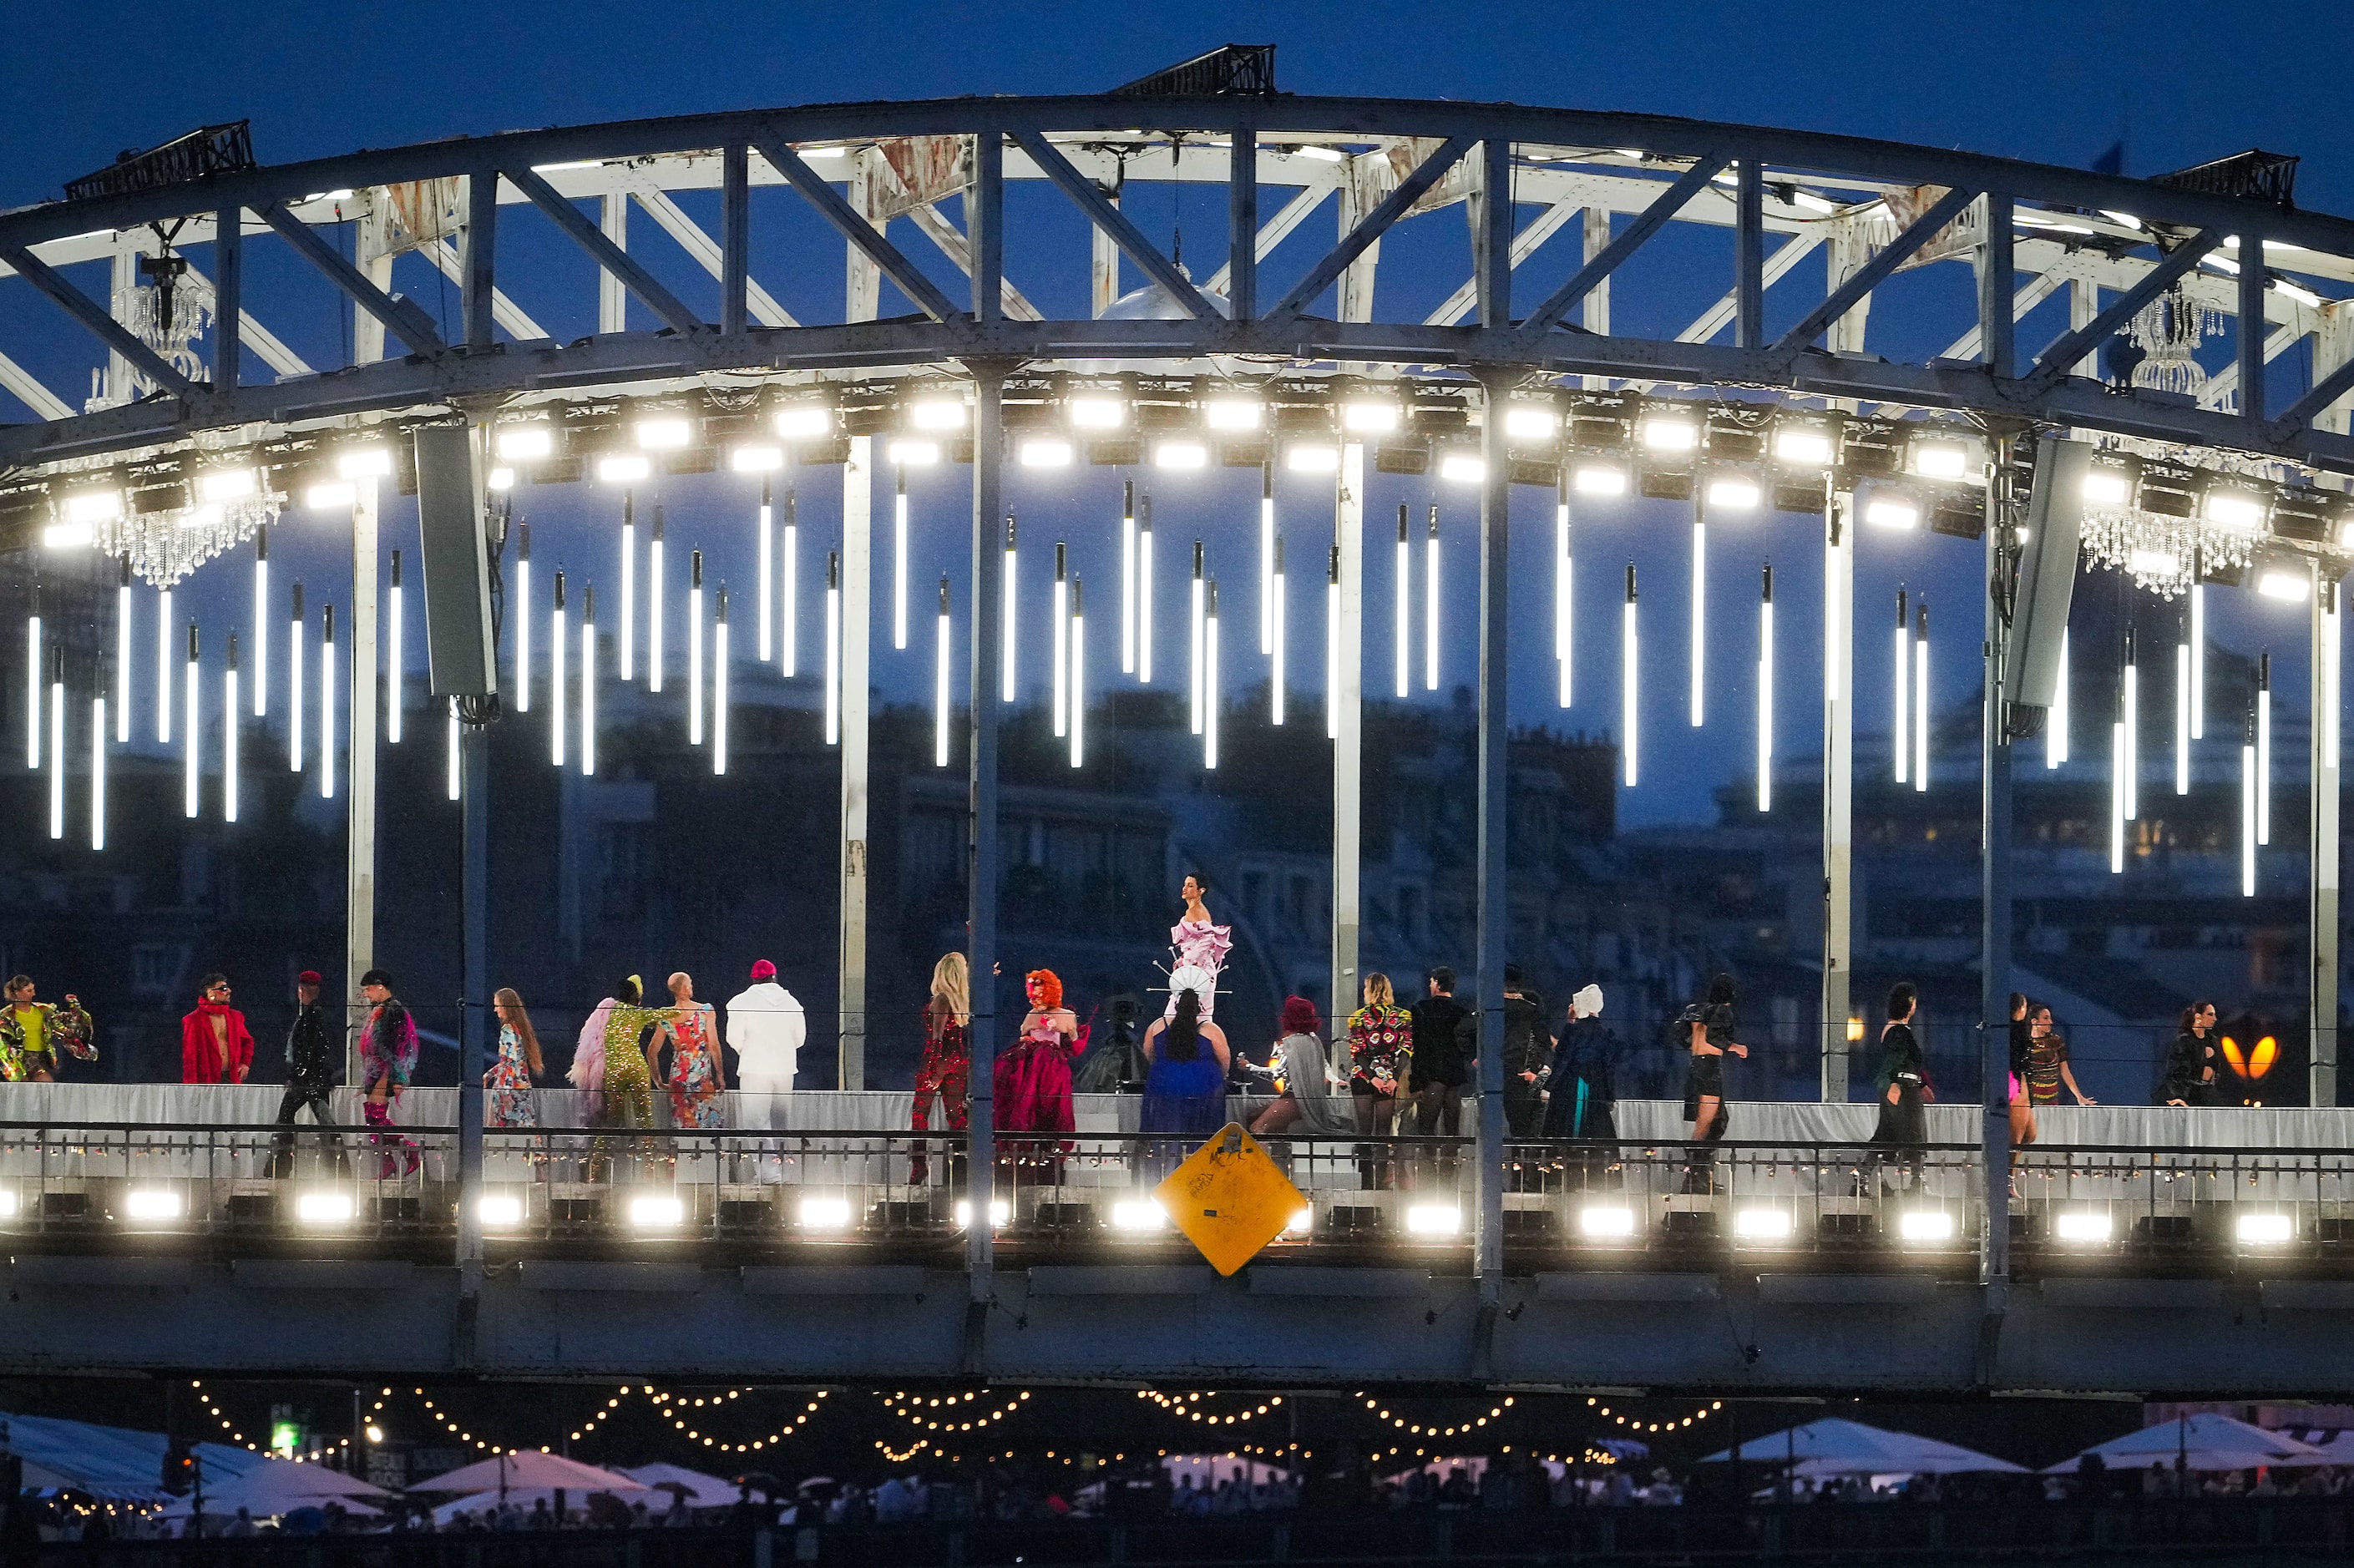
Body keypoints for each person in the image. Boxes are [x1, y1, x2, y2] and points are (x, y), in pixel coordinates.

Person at [586, 976, 675, 1181]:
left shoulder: (608, 1014)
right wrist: (683, 1010)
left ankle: (595, 1167)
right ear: (637, 996)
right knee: (645, 1118)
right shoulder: (638, 1014)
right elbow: (664, 1015)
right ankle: (650, 1166)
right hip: (636, 1068)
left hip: (614, 1071)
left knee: (611, 1121)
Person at [726, 959, 805, 1182]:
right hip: (785, 1068)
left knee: (756, 1120)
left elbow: (733, 1037)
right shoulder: (792, 1003)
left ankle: (769, 1174)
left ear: (753, 978)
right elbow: (800, 1039)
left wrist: (748, 1050)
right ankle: (784, 1172)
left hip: (754, 1068)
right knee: (781, 1120)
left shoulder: (740, 1002)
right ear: (774, 977)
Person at [997, 969, 1081, 1178]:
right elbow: (1075, 1045)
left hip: (1034, 1068)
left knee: (1029, 1107)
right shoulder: (1068, 1016)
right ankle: (1049, 1153)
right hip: (1053, 1068)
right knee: (1053, 1108)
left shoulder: (1032, 1016)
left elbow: (1023, 1035)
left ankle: (1029, 1154)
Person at [1140, 986, 1230, 1176]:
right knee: (1200, 1137)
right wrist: (1217, 1081)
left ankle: (1164, 1176)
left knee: (1166, 1136)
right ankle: (1200, 1175)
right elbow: (1225, 1060)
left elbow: (1147, 1055)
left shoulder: (1157, 1026)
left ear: (1177, 1006)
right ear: (1200, 1008)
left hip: (1165, 1088)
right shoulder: (1211, 1029)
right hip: (1203, 1090)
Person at [1343, 973, 1412, 1187]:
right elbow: (1406, 1051)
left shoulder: (1357, 1017)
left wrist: (1371, 1077)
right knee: (1383, 1130)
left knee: (1364, 1130)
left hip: (1364, 1077)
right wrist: (1393, 1079)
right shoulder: (1404, 1016)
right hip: (1389, 1077)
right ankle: (1381, 1182)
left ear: (1368, 990)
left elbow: (1358, 1052)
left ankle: (1365, 1182)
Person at [1679, 974, 1746, 1192]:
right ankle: (1697, 1176)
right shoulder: (1722, 1010)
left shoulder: (1695, 1010)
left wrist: (1692, 1042)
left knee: (1707, 1123)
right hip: (1709, 1067)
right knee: (1712, 1123)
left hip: (1695, 1066)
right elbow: (1714, 1038)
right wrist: (1736, 1047)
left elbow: (1677, 1034)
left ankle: (1696, 1176)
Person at [269, 970, 341, 1172]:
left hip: (308, 1079)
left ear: (302, 990)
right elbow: (318, 1049)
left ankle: (280, 1165)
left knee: (287, 1116)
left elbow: (308, 1050)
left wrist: (296, 1074)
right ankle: (338, 1168)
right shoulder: (317, 1014)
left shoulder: (311, 1016)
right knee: (323, 1121)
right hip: (314, 1078)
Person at [1249, 996, 1349, 1139]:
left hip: (1294, 1098)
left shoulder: (1290, 1044)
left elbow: (1276, 1074)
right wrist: (1335, 1079)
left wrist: (1249, 1067)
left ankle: (1265, 1160)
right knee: (1256, 1117)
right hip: (1305, 1099)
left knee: (1257, 1127)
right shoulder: (1313, 1040)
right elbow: (1324, 1064)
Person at [910, 953, 971, 1185]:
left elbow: (936, 1037)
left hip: (939, 1060)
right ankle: (964, 1166)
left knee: (919, 1115)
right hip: (958, 1060)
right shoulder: (959, 1002)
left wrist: (935, 1068)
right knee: (956, 1117)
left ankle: (919, 1167)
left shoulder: (941, 1000)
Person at [1867, 982, 1931, 1190]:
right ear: (1909, 1004)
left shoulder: (1896, 1030)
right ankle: (1917, 1180)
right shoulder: (1898, 1031)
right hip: (1903, 1089)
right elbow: (1896, 1059)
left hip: (1904, 1086)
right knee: (1914, 1133)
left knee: (1887, 1134)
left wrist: (1921, 1084)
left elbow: (1904, 1061)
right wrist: (1895, 1083)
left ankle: (1863, 1177)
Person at [358, 969, 420, 1176]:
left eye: (368, 989)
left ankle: (405, 1149)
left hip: (384, 1069)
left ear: (380, 987)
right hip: (377, 1069)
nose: (366, 994)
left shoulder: (392, 1011)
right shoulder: (383, 1010)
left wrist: (397, 1077)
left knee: (375, 1116)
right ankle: (390, 1158)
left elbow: (399, 1046)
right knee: (373, 1118)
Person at [1406, 967, 1471, 1138]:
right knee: (1452, 1127)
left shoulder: (1421, 1009)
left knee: (1426, 1127)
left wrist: (1416, 1082)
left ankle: (1430, 1164)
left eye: (1431, 982)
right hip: (1455, 1074)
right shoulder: (1463, 1013)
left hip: (1431, 1075)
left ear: (1437, 984)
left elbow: (1418, 1046)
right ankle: (1451, 1162)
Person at [657, 972, 726, 1129]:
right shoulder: (705, 1011)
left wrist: (659, 1081)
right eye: (690, 983)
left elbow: (652, 1051)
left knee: (682, 1125)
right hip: (701, 1076)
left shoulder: (665, 1016)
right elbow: (714, 1045)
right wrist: (720, 1074)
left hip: (678, 1078)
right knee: (708, 1124)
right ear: (685, 987)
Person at [0, 974, 94, 1082]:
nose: (33, 994)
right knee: (22, 1087)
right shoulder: (6, 1016)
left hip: (39, 1059)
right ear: (17, 993)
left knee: (46, 1083)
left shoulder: (43, 1011)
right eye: (29, 991)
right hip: (16, 1060)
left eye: (33, 990)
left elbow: (67, 1026)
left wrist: (74, 1005)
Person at [1165, 873, 1233, 1021]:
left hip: (1198, 972)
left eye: (1190, 886)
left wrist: (1185, 961)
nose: (1184, 888)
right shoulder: (1197, 910)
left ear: (1201, 890)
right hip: (1200, 970)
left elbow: (1207, 939)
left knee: (1176, 1016)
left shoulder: (1195, 911)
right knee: (1200, 1017)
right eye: (1185, 884)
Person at [1499, 965, 1553, 1139]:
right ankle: (1525, 1162)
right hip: (1524, 1072)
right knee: (1526, 1124)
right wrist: (1535, 1069)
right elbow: (1543, 1040)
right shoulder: (1530, 1008)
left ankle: (1519, 1162)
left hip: (1500, 1071)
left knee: (1515, 1123)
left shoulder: (1492, 1010)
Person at [180, 973, 255, 1085]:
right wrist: (190, 1087)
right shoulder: (193, 1020)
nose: (229, 991)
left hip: (232, 1078)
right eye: (223, 988)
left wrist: (245, 1063)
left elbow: (247, 1042)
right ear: (210, 992)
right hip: (206, 1080)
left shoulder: (235, 1017)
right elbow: (190, 1057)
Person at [485, 987, 543, 1128]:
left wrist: (506, 1092)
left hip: (507, 1087)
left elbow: (512, 1062)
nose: (495, 1010)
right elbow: (511, 1061)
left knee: (498, 1132)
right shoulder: (519, 1028)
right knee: (526, 1129)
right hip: (521, 1086)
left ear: (506, 1006)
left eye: (497, 1005)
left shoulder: (508, 1030)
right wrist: (489, 1074)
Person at [2025, 1002, 2094, 1108]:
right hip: (2031, 1100)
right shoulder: (2025, 1044)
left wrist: (2079, 1096)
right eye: (2046, 1018)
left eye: (2050, 1018)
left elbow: (2065, 1072)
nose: (2051, 1022)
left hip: (2052, 1099)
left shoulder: (2056, 1041)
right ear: (2034, 1021)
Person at [2162, 1000, 2220, 1107]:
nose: (2214, 1019)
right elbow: (2177, 1072)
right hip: (2191, 1096)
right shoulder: (2184, 1041)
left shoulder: (2212, 1041)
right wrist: (2179, 1096)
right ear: (2198, 1017)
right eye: (2210, 1014)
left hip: (2209, 1097)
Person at [2007, 992, 2037, 1147]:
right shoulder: (2014, 1030)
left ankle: (2010, 1167)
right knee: (2017, 1137)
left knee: (2029, 1135)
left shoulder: (2015, 1028)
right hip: (2016, 1080)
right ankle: (2009, 1170)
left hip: (2020, 1079)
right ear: (2021, 1008)